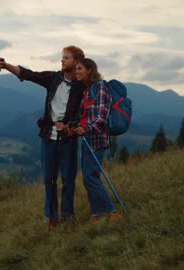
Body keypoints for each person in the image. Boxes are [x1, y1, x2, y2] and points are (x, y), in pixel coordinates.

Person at [0, 46, 85, 229]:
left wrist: (71, 127)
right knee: (49, 179)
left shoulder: (82, 86)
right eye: (62, 57)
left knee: (68, 180)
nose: (62, 60)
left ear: (76, 62)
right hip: (48, 137)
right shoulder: (54, 78)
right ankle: (50, 218)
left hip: (68, 139)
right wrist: (6, 66)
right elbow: (29, 74)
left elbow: (85, 113)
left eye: (66, 58)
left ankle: (67, 218)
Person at [72, 58, 123, 224]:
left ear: (89, 70)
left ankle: (112, 212)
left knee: (91, 177)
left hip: (97, 139)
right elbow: (85, 117)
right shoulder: (87, 91)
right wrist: (75, 127)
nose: (76, 72)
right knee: (88, 177)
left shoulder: (101, 87)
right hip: (87, 138)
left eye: (79, 68)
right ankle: (97, 214)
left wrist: (85, 128)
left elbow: (102, 117)